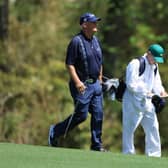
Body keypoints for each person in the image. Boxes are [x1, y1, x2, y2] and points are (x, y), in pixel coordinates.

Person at [48, 12, 106, 151]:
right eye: (93, 22)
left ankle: (96, 145)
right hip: (83, 85)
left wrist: (100, 78)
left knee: (98, 114)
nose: (96, 24)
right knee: (81, 116)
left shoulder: (95, 40)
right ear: (84, 25)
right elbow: (70, 64)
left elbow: (100, 61)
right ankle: (55, 131)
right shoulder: (76, 41)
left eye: (96, 22)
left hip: (96, 85)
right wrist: (78, 82)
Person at [122, 44, 168, 157]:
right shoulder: (136, 63)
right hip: (132, 100)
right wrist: (146, 92)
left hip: (147, 101)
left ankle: (154, 155)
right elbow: (131, 84)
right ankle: (128, 154)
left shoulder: (155, 66)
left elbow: (156, 83)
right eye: (154, 58)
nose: (155, 61)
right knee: (129, 128)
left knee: (153, 127)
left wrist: (161, 92)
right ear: (148, 53)